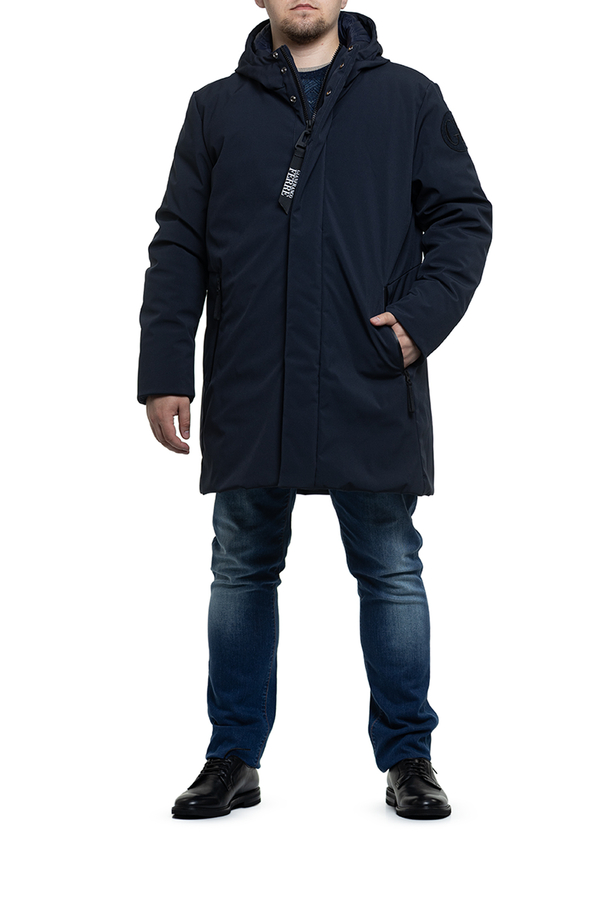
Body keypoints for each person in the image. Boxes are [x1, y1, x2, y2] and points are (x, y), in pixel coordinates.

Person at [138, 0, 492, 821]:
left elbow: (463, 218)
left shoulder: (408, 98)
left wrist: (417, 324)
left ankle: (410, 758)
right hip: (251, 378)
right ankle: (233, 757)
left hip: (368, 372)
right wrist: (164, 368)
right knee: (240, 565)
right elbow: (179, 241)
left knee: (390, 566)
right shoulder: (215, 109)